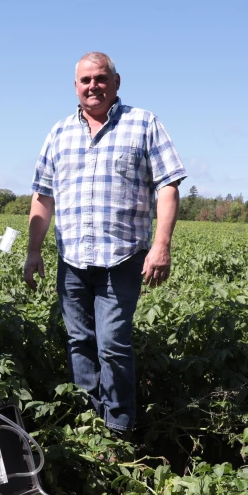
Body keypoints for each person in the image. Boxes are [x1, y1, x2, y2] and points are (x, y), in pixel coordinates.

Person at [23, 52, 185, 434]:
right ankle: (87, 424)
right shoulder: (60, 132)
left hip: (122, 257)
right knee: (79, 342)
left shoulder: (143, 124)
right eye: (85, 80)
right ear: (75, 86)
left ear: (116, 81)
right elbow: (43, 196)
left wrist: (161, 246)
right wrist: (33, 251)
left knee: (112, 345)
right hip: (73, 260)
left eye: (100, 79)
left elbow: (169, 186)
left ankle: (119, 430)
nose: (92, 86)